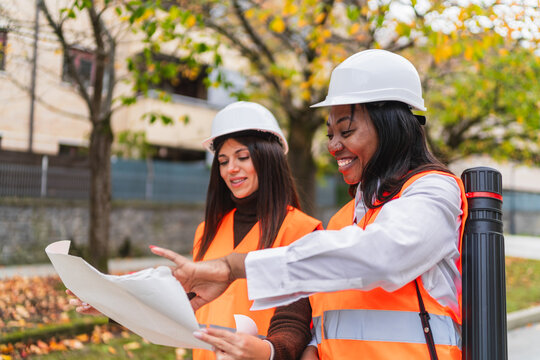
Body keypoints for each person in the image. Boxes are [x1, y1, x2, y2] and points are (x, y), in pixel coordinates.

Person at [151, 49, 468, 360]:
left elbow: (383, 255)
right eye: (330, 134)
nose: (333, 146)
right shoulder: (345, 219)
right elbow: (326, 310)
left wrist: (232, 268)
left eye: (346, 130)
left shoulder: (433, 189)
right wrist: (313, 346)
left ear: (391, 126)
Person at [69, 101, 322, 360]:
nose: (231, 168)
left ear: (270, 159)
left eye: (242, 157)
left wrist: (265, 352)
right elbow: (181, 306)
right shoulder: (207, 231)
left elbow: (295, 325)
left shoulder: (301, 230)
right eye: (223, 161)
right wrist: (110, 302)